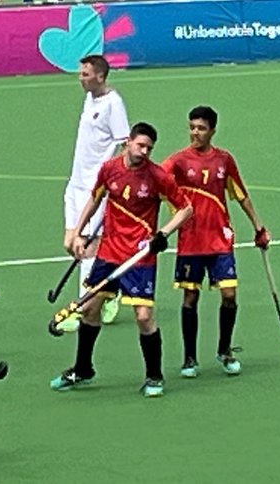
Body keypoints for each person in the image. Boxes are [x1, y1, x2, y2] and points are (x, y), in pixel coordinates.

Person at [51, 122, 193, 397]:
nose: (144, 151)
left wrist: (163, 233)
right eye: (140, 145)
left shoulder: (157, 177)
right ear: (128, 141)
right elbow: (94, 199)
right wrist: (79, 233)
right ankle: (83, 369)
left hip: (140, 257)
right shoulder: (110, 169)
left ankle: (154, 376)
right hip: (109, 252)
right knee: (91, 309)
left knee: (143, 316)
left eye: (149, 148)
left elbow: (185, 208)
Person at [162, 106, 270, 378]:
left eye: (200, 128)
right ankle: (189, 358)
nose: (194, 133)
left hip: (220, 239)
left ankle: (224, 350)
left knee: (230, 296)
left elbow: (241, 195)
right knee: (190, 297)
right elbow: (156, 184)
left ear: (212, 130)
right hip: (191, 240)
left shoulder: (224, 160)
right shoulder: (177, 162)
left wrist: (259, 227)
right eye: (191, 127)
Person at [56, 54, 131, 332]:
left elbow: (125, 145)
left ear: (100, 75)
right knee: (71, 243)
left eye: (85, 74)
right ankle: (113, 288)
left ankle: (83, 307)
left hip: (95, 187)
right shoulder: (90, 99)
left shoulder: (114, 103)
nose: (81, 78)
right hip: (76, 183)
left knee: (86, 247)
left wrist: (117, 182)